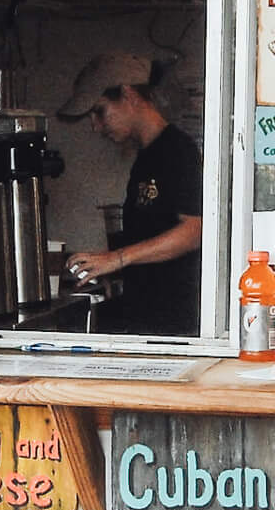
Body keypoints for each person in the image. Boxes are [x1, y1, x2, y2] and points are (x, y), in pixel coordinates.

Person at [56, 51, 203, 336]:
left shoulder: (177, 150)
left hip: (173, 319)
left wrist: (117, 258)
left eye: (100, 111)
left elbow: (195, 230)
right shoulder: (146, 156)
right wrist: (115, 268)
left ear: (129, 95)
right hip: (144, 312)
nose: (96, 126)